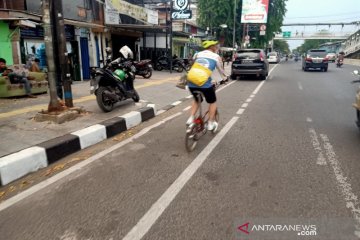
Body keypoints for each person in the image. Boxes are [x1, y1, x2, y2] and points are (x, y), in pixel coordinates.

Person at [186, 38, 228, 131]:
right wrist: (225, 79)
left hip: (191, 81)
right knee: (212, 102)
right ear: (212, 47)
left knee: (197, 99)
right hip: (204, 83)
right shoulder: (216, 56)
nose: (217, 47)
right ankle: (210, 123)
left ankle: (191, 118)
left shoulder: (197, 54)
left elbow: (194, 66)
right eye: (216, 46)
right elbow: (221, 71)